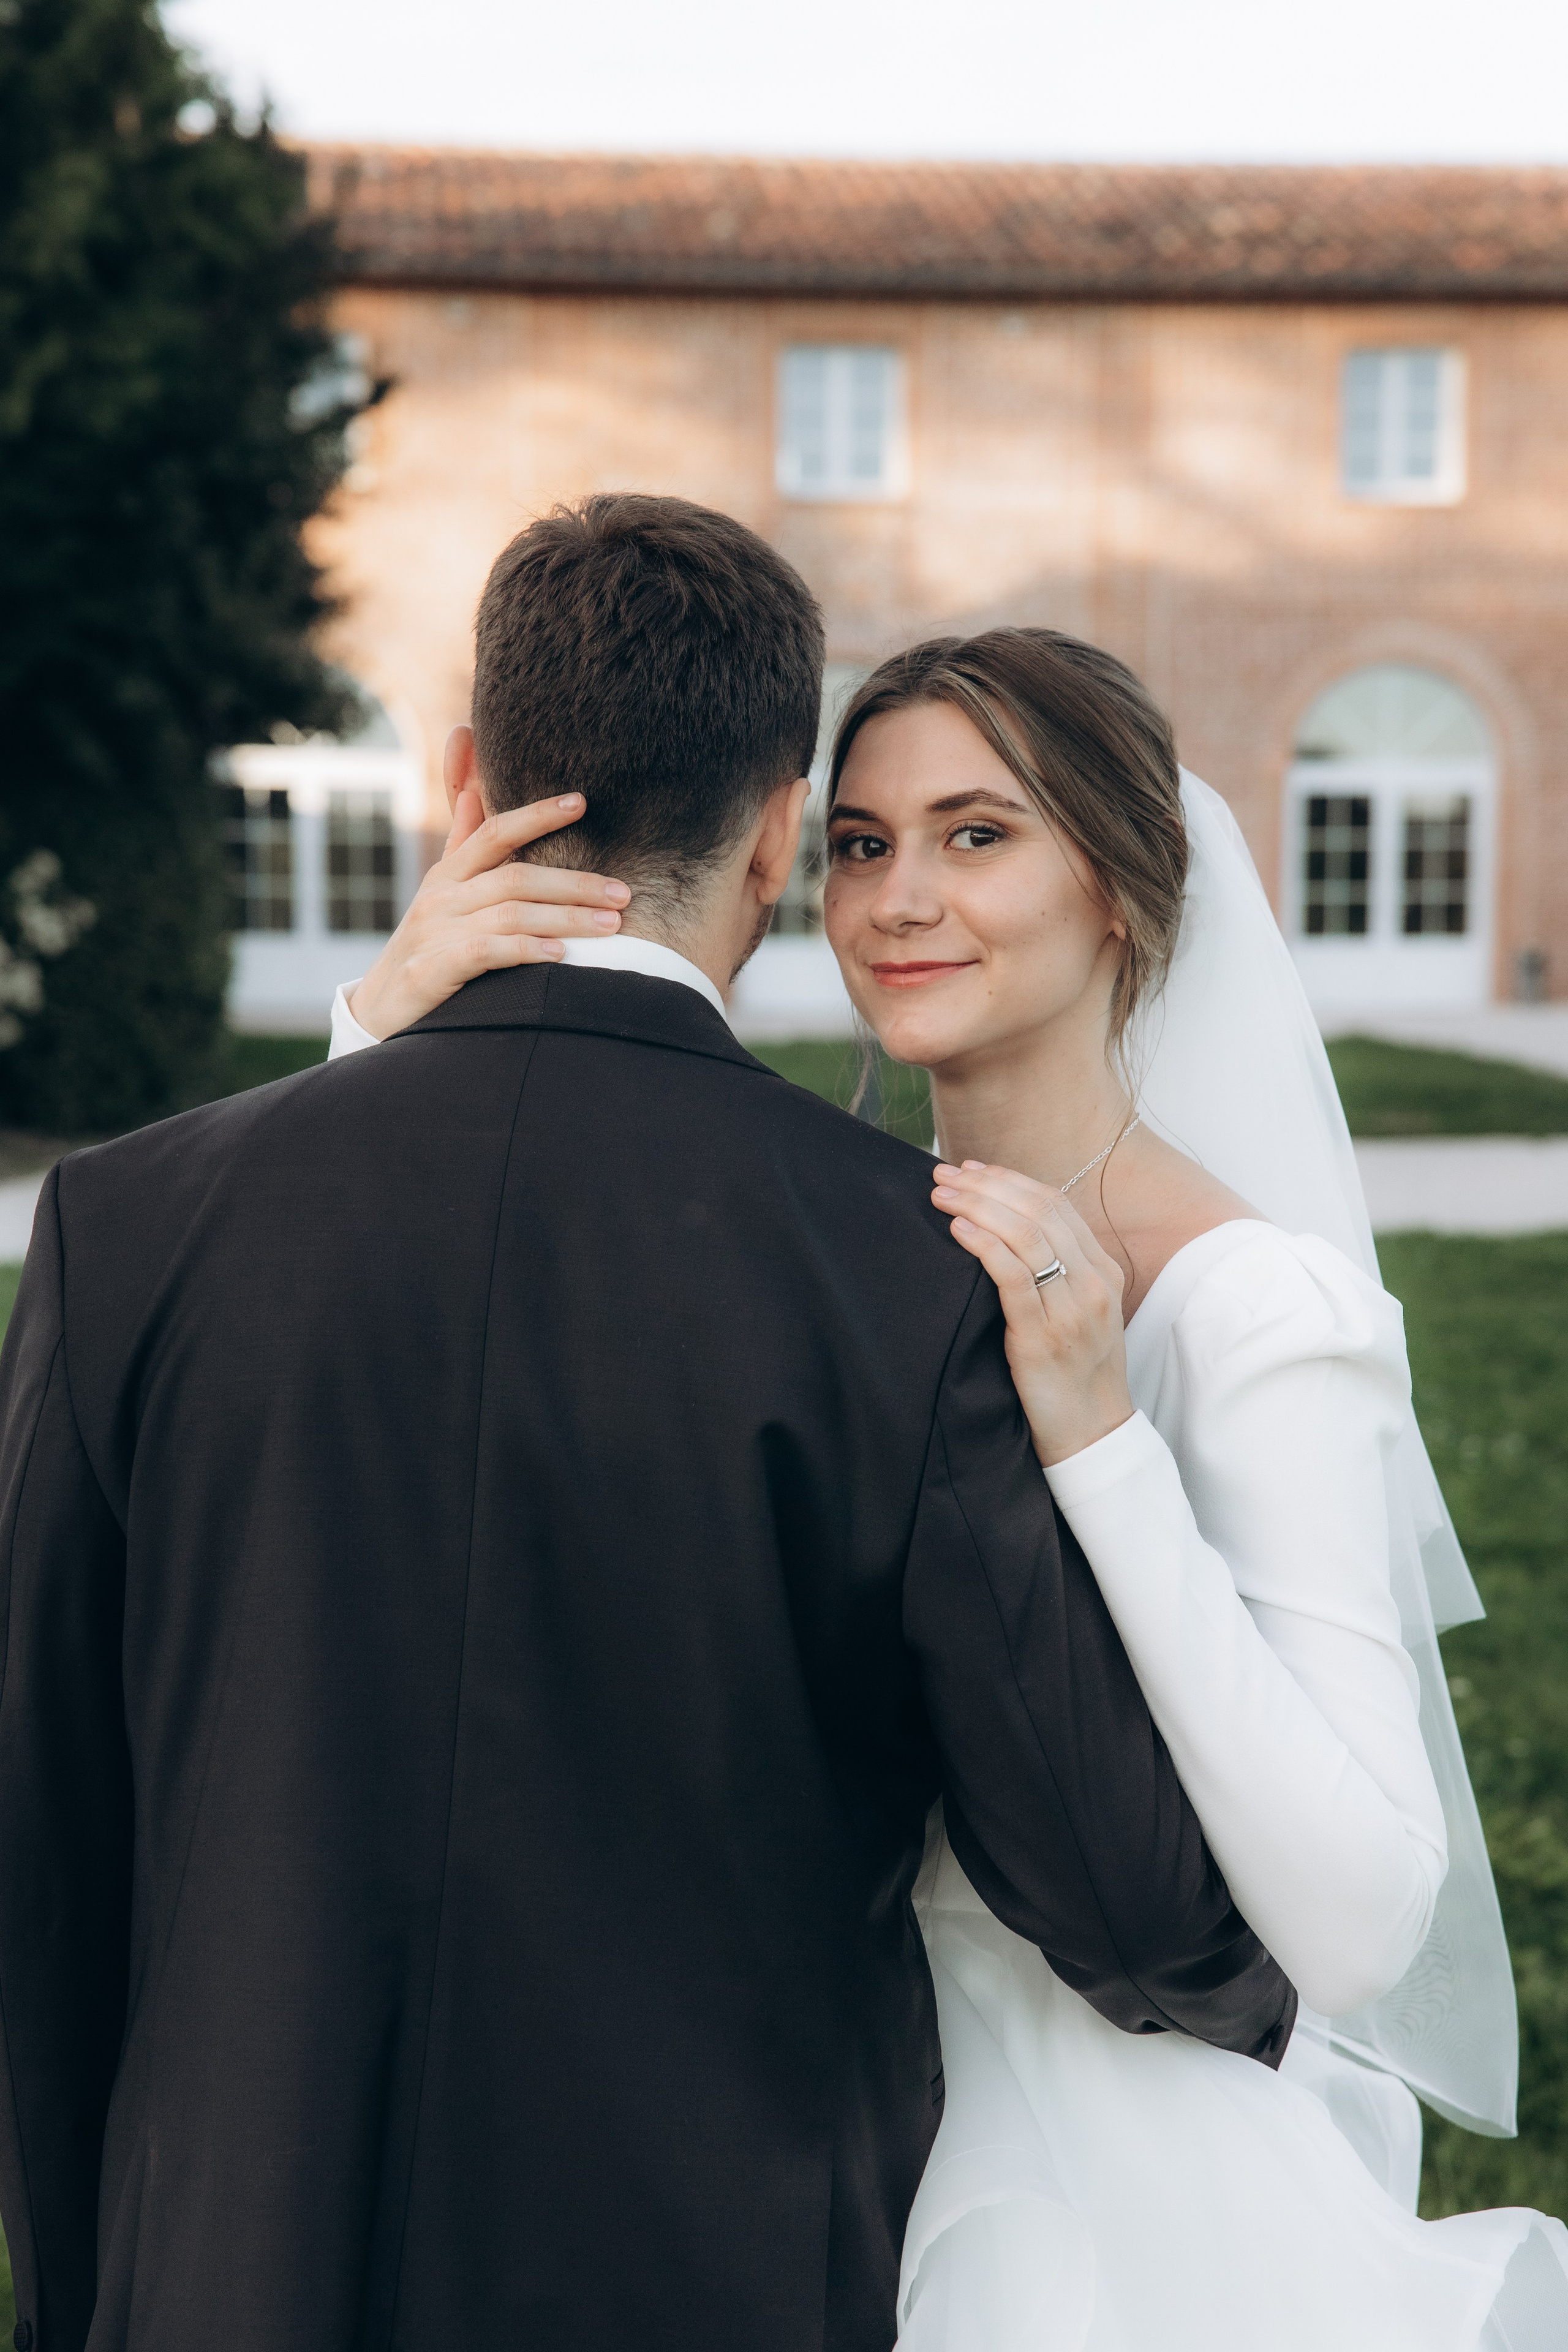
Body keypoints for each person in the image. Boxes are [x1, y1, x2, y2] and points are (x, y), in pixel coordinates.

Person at [0, 500, 1294, 2352]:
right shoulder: (917, 1276)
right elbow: (1119, 1893)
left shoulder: (128, 1228)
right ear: (782, 829)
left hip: (227, 2264)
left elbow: (42, 1852)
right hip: (716, 2279)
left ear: (468, 781)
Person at [344, 617, 1568, 2347]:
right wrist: (376, 1049)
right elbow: (478, 1437)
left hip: (1078, 2183)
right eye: (861, 845)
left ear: (1124, 890)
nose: (900, 897)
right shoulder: (815, 1241)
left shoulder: (1249, 1306)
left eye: (977, 836)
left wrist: (1099, 1440)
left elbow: (1363, 1919)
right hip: (766, 2129)